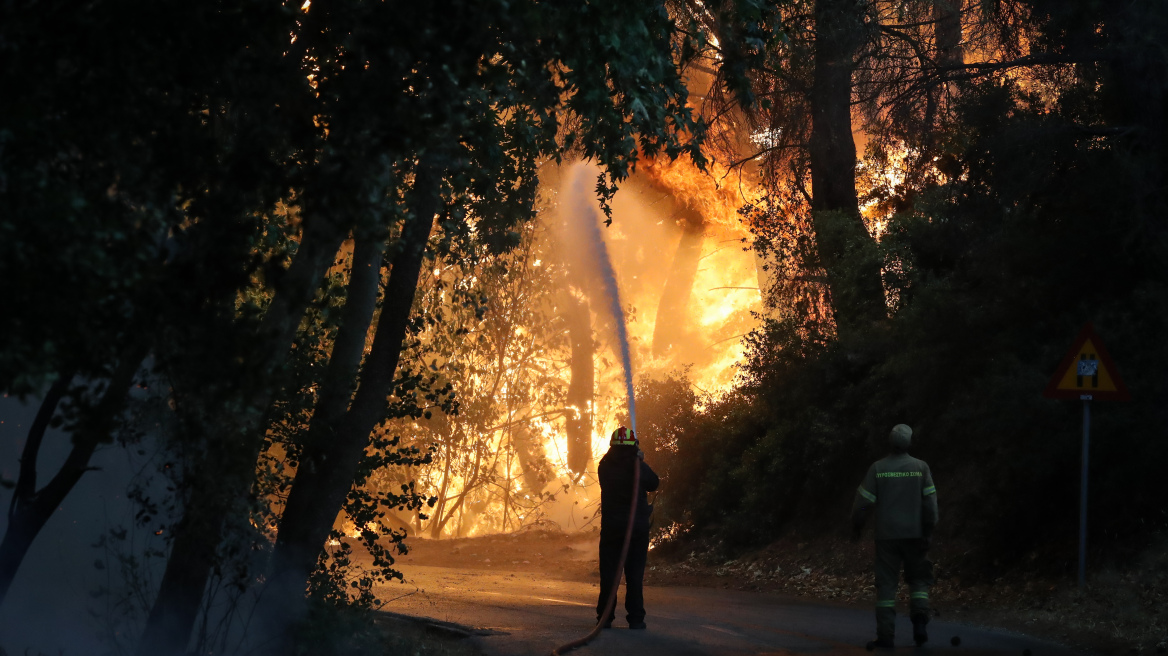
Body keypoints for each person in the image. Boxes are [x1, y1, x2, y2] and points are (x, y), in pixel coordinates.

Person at [851, 423, 939, 649]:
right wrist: (928, 531)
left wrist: (857, 525)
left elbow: (863, 503)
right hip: (916, 535)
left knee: (887, 587)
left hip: (887, 538)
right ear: (910, 442)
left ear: (889, 442)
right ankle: (919, 621)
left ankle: (886, 637)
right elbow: (930, 505)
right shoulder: (921, 468)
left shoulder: (878, 468)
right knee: (919, 581)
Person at [596, 426, 659, 630]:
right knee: (634, 575)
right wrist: (640, 460)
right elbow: (654, 483)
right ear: (634, 446)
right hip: (636, 531)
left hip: (612, 530)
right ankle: (636, 619)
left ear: (612, 446)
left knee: (609, 575)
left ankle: (605, 618)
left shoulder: (604, 466)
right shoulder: (637, 467)